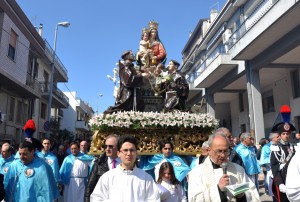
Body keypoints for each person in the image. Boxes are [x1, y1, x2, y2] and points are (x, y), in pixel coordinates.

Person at [188, 133, 260, 202]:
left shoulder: (238, 169)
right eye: (219, 151)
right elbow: (194, 199)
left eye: (226, 151)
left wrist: (242, 196)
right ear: (209, 150)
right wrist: (218, 189)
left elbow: (253, 194)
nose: (223, 155)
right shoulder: (197, 173)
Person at [90, 135, 160, 201]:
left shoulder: (146, 178)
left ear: (136, 153)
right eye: (125, 150)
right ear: (118, 153)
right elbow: (97, 198)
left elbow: (153, 199)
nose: (129, 154)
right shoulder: (107, 177)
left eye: (132, 150)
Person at [270, 105, 296, 202]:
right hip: (283, 180)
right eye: (283, 134)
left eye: (287, 133)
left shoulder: (294, 147)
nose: (286, 136)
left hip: (294, 179)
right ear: (280, 135)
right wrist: (279, 183)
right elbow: (275, 168)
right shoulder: (276, 149)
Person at [84, 134, 120, 202]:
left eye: (110, 146)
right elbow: (90, 188)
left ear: (118, 147)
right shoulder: (99, 164)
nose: (107, 149)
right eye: (105, 146)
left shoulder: (126, 164)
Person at [260, 132, 280, 201]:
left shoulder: (280, 145)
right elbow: (263, 160)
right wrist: (274, 160)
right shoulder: (266, 147)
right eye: (277, 137)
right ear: (273, 138)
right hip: (271, 173)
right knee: (275, 193)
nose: (279, 138)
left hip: (281, 172)